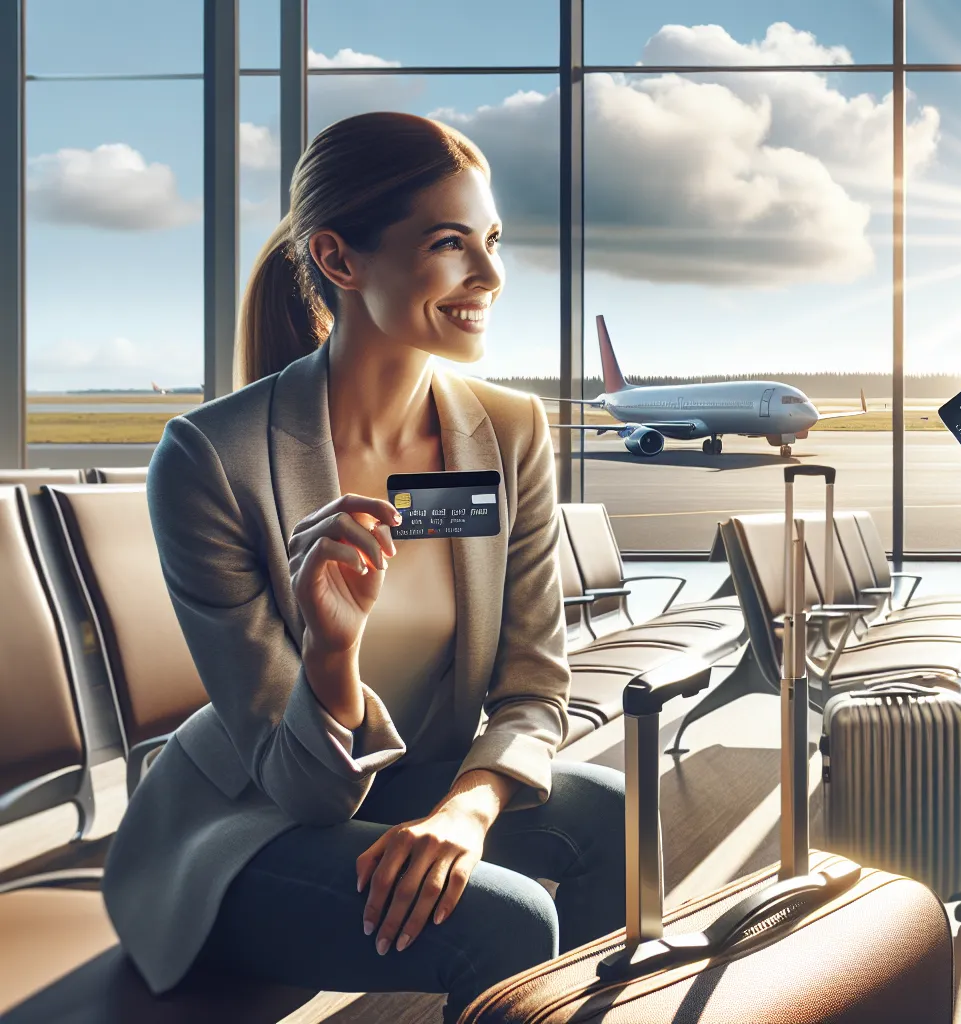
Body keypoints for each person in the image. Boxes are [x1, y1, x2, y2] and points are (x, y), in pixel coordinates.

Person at [103, 111, 627, 1022]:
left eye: (492, 240)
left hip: (418, 784)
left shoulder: (510, 430)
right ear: (339, 260)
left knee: (616, 817)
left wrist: (464, 811)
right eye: (449, 243)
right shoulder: (211, 459)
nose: (490, 275)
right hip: (244, 828)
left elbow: (536, 684)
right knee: (507, 923)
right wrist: (331, 654)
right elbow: (301, 790)